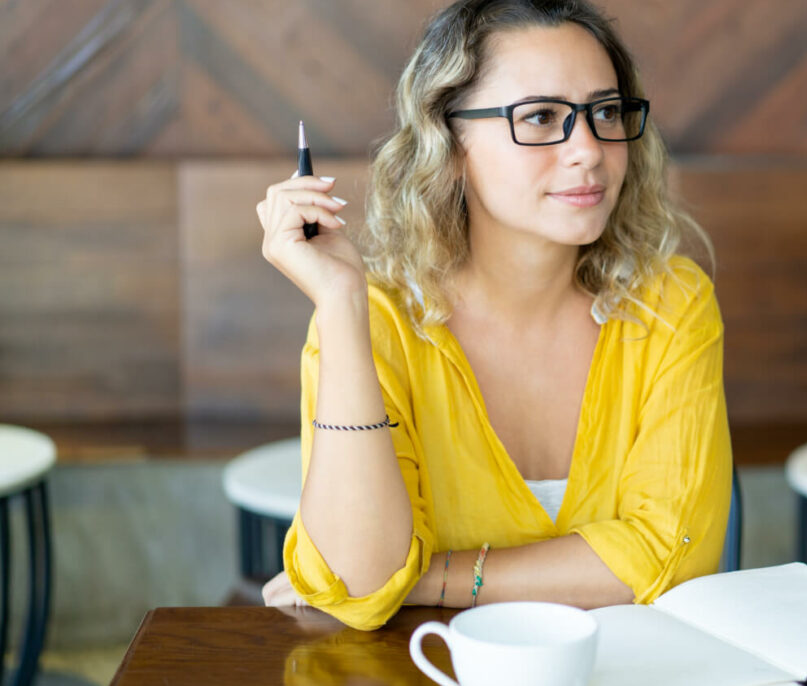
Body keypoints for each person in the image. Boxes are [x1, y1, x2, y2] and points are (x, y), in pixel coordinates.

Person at [255, 0, 731, 631]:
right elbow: (361, 581)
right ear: (449, 145)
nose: (589, 150)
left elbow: (673, 559)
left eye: (606, 112)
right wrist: (342, 304)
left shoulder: (670, 302)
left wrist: (426, 579)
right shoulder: (374, 323)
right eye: (540, 117)